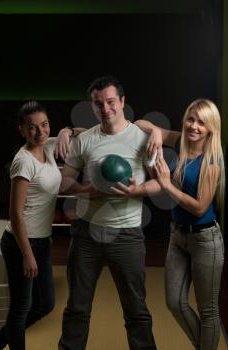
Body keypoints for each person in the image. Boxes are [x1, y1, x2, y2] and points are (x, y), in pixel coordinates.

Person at [58, 75, 164, 350]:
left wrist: (136, 191)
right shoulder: (85, 140)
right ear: (92, 106)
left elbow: (160, 182)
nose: (105, 109)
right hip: (85, 236)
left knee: (136, 312)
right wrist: (86, 190)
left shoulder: (142, 138)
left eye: (110, 101)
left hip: (126, 235)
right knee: (77, 309)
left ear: (122, 102)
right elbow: (65, 181)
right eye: (98, 103)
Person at [0, 100, 74, 350]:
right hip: (21, 242)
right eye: (32, 127)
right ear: (22, 130)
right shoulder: (23, 161)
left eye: (45, 125)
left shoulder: (49, 147)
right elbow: (16, 215)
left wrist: (66, 131)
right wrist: (28, 255)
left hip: (41, 240)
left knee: (46, 304)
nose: (40, 132)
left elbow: (82, 132)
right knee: (21, 308)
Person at [152, 99, 225, 350]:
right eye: (191, 119)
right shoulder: (181, 141)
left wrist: (166, 185)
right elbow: (141, 125)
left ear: (211, 128)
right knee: (174, 302)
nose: (194, 126)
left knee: (208, 310)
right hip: (178, 237)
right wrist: (154, 131)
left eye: (202, 122)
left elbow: (199, 207)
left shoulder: (212, 161)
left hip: (206, 241)